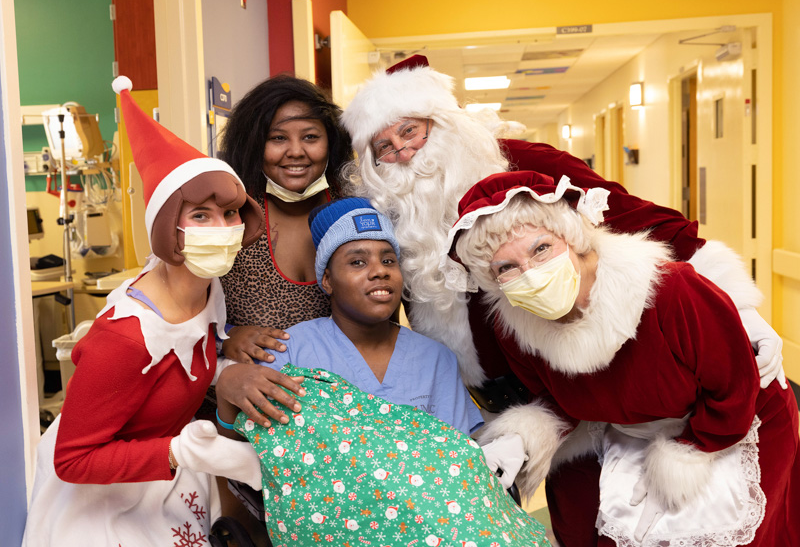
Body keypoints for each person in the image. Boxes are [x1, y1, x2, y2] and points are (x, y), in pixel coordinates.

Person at [339, 55, 786, 544]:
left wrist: (738, 310)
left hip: (635, 370)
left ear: (443, 124)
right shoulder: (388, 215)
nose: (403, 153)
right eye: (384, 146)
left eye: (411, 131)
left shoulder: (521, 162)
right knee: (580, 526)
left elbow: (650, 222)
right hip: (538, 396)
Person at [445, 170, 800, 546]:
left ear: (572, 238)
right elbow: (560, 400)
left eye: (541, 249)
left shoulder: (670, 289)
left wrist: (687, 456)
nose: (530, 276)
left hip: (734, 420)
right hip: (633, 427)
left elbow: (734, 386)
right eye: (506, 268)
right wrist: (523, 437)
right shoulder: (514, 328)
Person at [21, 76, 303, 546]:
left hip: (169, 489)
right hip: (104, 502)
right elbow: (71, 460)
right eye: (199, 216)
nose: (224, 227)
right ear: (168, 228)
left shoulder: (209, 287)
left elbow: (184, 357)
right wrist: (179, 450)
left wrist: (225, 358)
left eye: (230, 213)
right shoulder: (127, 337)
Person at [215, 198, 549, 546]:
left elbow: (460, 459)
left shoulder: (435, 358)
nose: (379, 270)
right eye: (357, 262)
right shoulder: (290, 351)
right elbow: (247, 448)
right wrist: (227, 388)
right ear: (327, 280)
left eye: (389, 260)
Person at [217, 75, 354, 363]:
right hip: (245, 394)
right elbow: (180, 310)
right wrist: (225, 338)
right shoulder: (228, 215)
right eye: (278, 138)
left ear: (331, 142)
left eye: (310, 137)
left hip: (344, 397)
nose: (295, 151)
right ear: (254, 143)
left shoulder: (355, 211)